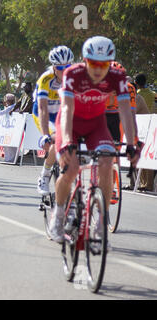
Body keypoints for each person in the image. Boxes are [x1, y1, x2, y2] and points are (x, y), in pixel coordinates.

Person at [49, 36, 139, 243]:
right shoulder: (73, 74)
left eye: (104, 64)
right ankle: (59, 214)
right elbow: (66, 108)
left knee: (107, 161)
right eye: (93, 63)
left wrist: (132, 142)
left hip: (96, 125)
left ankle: (99, 221)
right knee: (71, 169)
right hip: (70, 121)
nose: (98, 69)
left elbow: (126, 111)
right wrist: (68, 141)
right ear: (84, 60)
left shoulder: (118, 76)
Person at [34, 45, 74, 195]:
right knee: (54, 142)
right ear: (53, 67)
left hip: (61, 113)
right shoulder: (45, 80)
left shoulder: (74, 77)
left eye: (68, 67)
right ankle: (44, 175)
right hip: (43, 114)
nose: (64, 71)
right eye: (60, 68)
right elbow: (42, 109)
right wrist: (45, 135)